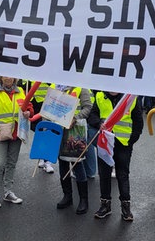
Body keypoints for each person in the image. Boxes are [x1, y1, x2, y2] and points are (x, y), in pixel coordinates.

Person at [0, 76, 33, 209]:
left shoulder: (21, 90)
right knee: (0, 163)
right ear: (1, 77)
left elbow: (30, 108)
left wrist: (28, 113)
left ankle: (8, 192)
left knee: (11, 163)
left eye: (11, 76)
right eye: (6, 75)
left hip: (16, 134)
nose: (9, 78)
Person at [89, 91, 143, 221]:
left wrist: (131, 141)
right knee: (104, 174)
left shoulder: (130, 98)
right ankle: (105, 206)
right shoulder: (100, 96)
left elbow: (138, 122)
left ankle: (126, 207)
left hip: (123, 143)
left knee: (122, 174)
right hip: (105, 142)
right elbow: (92, 115)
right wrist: (98, 123)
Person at [55, 85, 92, 215]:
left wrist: (75, 118)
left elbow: (88, 107)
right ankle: (67, 196)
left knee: (77, 163)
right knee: (62, 162)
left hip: (75, 130)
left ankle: (83, 200)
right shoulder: (57, 87)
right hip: (59, 129)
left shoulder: (81, 87)